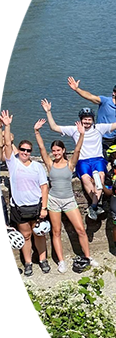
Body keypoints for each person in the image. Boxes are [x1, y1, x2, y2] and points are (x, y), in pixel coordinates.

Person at [43, 98, 116, 221]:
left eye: (89, 119)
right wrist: (48, 112)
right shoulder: (75, 130)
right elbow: (54, 127)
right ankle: (96, 205)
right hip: (82, 160)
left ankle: (93, 206)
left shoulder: (99, 128)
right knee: (85, 178)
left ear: (93, 120)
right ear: (80, 120)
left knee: (100, 177)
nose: (87, 122)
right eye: (84, 119)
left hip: (98, 159)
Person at [33, 118, 93, 272]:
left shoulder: (70, 164)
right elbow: (41, 148)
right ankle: (61, 261)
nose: (55, 153)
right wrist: (37, 131)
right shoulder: (50, 164)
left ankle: (88, 257)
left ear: (63, 151)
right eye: (53, 150)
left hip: (69, 200)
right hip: (53, 201)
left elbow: (78, 150)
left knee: (80, 229)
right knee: (56, 231)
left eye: (58, 150)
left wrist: (81, 135)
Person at [0, 110, 50, 276]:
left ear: (31, 152)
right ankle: (28, 263)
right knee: (26, 236)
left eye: (28, 150)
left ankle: (43, 260)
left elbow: (44, 187)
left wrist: (44, 208)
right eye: (22, 149)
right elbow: (7, 144)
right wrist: (7, 126)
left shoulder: (37, 166)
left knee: (40, 234)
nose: (25, 152)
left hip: (36, 207)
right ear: (19, 150)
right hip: (20, 208)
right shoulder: (13, 164)